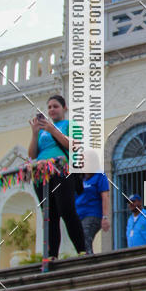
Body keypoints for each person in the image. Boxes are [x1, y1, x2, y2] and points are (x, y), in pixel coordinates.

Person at [28, 94, 86, 259]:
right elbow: (32, 155)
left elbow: (73, 145)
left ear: (64, 108)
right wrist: (34, 133)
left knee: (67, 210)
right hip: (41, 173)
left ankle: (82, 249)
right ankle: (52, 254)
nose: (52, 110)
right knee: (49, 215)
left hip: (61, 170)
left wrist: (53, 130)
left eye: (55, 106)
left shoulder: (69, 124)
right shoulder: (41, 132)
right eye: (49, 107)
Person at [75, 157, 110, 254]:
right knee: (80, 239)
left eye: (85, 160)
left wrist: (105, 217)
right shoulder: (79, 178)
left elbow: (105, 196)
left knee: (85, 235)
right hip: (79, 215)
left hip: (93, 214)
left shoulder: (99, 176)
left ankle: (88, 261)